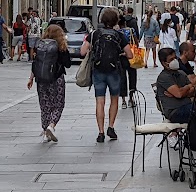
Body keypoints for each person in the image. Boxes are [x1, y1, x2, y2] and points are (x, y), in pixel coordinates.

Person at [80, 8, 133, 143]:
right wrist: (120, 53)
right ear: (116, 21)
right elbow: (130, 55)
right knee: (114, 99)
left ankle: (100, 132)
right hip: (114, 71)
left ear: (102, 20)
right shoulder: (119, 35)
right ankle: (111, 127)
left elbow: (82, 51)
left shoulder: (94, 34)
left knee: (100, 101)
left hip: (98, 71)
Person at [28, 24, 71, 142]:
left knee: (45, 105)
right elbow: (67, 64)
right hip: (56, 79)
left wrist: (31, 78)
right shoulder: (60, 46)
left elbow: (35, 63)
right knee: (58, 104)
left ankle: (45, 132)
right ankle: (51, 126)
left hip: (40, 79)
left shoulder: (40, 45)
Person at [155, 47, 195, 124]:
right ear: (164, 63)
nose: (174, 61)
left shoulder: (181, 73)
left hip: (187, 105)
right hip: (175, 111)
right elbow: (179, 94)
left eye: (175, 58)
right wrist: (187, 87)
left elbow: (193, 90)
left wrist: (183, 90)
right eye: (171, 59)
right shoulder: (164, 77)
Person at [116, 13, 137, 110]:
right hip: (131, 56)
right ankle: (131, 99)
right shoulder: (131, 30)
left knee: (122, 78)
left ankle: (123, 100)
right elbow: (136, 42)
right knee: (132, 77)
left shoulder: (116, 33)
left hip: (121, 57)